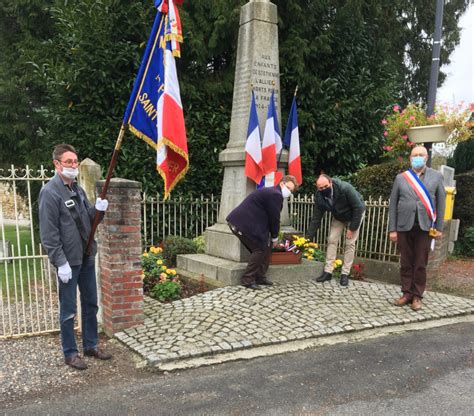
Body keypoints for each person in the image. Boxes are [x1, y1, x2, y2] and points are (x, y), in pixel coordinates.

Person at [39, 144, 112, 370]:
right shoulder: (50, 192)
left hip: (86, 257)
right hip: (68, 263)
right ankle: (70, 352)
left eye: (75, 161)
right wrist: (60, 263)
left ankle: (90, 345)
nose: (72, 166)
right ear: (56, 164)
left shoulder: (78, 190)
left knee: (90, 303)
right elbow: (49, 234)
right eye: (68, 162)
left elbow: (88, 222)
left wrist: (98, 210)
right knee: (68, 309)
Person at [389, 145, 445, 311]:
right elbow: (393, 205)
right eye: (415, 155)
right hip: (403, 226)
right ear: (410, 158)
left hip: (425, 227)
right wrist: (392, 229)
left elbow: (441, 204)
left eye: (421, 154)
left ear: (426, 158)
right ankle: (406, 293)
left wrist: (439, 227)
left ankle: (417, 296)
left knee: (420, 263)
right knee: (406, 262)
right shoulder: (401, 178)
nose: (418, 157)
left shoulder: (436, 177)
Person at [226, 175, 298, 290]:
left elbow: (269, 217)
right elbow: (274, 219)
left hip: (246, 224)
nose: (289, 192)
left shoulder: (273, 193)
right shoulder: (276, 194)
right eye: (288, 188)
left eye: (291, 190)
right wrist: (275, 238)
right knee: (259, 249)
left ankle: (259, 277)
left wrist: (271, 239)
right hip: (241, 224)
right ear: (282, 183)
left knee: (266, 248)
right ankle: (247, 279)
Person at [306, 174, 365, 286]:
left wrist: (352, 228)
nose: (323, 189)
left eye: (325, 186)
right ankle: (328, 272)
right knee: (332, 239)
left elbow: (358, 208)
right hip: (339, 217)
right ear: (317, 188)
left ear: (331, 183)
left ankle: (345, 274)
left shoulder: (345, 188)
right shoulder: (319, 197)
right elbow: (316, 219)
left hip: (355, 215)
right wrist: (308, 239)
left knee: (350, 243)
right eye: (320, 188)